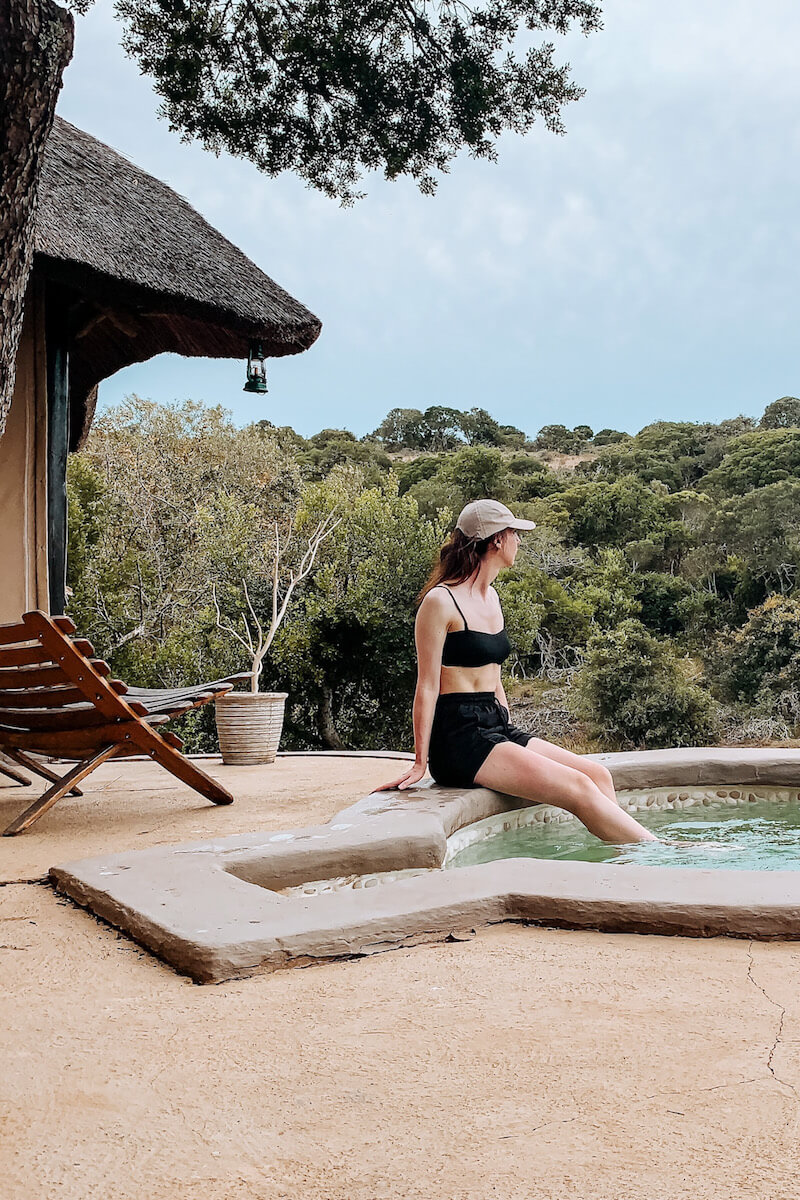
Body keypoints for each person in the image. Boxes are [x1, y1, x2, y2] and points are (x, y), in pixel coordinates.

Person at [377, 499, 657, 844]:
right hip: (460, 738)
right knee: (579, 787)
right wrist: (421, 762)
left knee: (597, 775)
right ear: (496, 540)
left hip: (495, 725)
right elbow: (427, 686)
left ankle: (625, 854)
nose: (518, 542)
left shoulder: (492, 597)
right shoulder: (440, 602)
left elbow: (494, 676)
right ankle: (660, 854)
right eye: (514, 534)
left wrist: (506, 725)